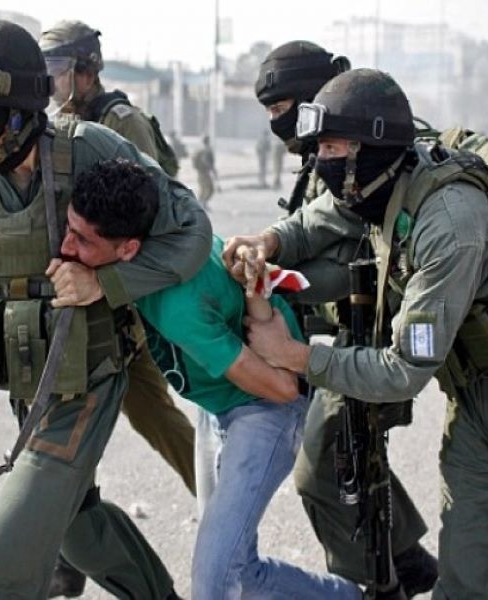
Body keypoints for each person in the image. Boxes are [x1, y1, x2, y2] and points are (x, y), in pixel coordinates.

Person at [230, 68, 488, 599]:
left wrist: (294, 355)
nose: (321, 160)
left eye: (331, 147)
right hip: (474, 395)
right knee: (462, 583)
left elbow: (402, 370)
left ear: (369, 150)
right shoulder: (387, 177)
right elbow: (321, 218)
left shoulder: (450, 224)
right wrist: (269, 241)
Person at [0, 20, 211, 599]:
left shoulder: (90, 148)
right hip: (28, 385)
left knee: (4, 565)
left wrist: (107, 282)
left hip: (87, 377)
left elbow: (191, 230)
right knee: (76, 527)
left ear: (18, 107)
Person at [60, 157, 361, 600]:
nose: (67, 246)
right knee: (237, 570)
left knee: (214, 581)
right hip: (218, 403)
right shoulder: (168, 230)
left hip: (266, 409)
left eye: (84, 240)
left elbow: (283, 389)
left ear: (128, 250)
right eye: (69, 228)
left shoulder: (177, 305)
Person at [254, 41, 437, 596]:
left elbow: (357, 259)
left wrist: (284, 285)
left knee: (326, 472)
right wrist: (270, 250)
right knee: (354, 463)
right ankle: (406, 562)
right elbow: (311, 226)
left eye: (283, 107)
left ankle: (378, 582)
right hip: (340, 338)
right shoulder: (325, 163)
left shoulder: (367, 161)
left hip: (372, 342)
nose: (277, 121)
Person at [39, 20, 198, 596]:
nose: (52, 85)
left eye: (59, 72)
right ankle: (70, 552)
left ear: (87, 71)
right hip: (80, 298)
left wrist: (112, 286)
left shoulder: (120, 123)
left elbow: (147, 216)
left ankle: (224, 503)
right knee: (70, 429)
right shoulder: (56, 126)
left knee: (153, 415)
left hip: (119, 303)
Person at [39, 20, 180, 178]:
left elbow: (147, 188)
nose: (51, 80)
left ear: (88, 76)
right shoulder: (60, 122)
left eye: (57, 70)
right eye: (47, 71)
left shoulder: (124, 124)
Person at [192, 134, 217, 208]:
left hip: (201, 171)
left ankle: (201, 204)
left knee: (203, 189)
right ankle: (202, 204)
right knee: (210, 189)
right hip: (204, 172)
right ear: (208, 141)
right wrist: (212, 169)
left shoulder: (200, 149)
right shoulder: (206, 149)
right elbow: (205, 160)